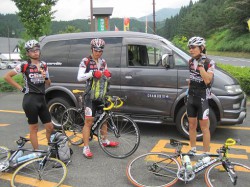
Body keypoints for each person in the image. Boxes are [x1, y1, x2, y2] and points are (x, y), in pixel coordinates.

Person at [4, 39, 54, 150]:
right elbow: (7, 76)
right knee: (34, 128)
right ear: (28, 53)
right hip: (30, 100)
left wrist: (45, 76)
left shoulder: (44, 65)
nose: (35, 52)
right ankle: (37, 153)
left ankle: (51, 150)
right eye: (32, 50)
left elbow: (48, 83)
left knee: (50, 127)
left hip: (42, 99)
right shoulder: (24, 65)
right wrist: (21, 89)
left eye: (37, 50)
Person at [77, 38, 118, 158]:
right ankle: (85, 147)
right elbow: (79, 77)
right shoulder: (85, 61)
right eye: (96, 50)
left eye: (101, 51)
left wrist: (108, 74)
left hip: (100, 94)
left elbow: (105, 74)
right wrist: (92, 73)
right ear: (92, 49)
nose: (98, 53)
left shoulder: (103, 62)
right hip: (90, 95)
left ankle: (104, 141)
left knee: (104, 118)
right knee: (88, 122)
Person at [186, 36, 215, 155]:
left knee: (204, 128)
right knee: (191, 126)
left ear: (201, 48)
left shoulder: (209, 62)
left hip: (202, 98)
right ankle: (193, 149)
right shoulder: (190, 61)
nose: (190, 50)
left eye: (193, 47)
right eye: (189, 48)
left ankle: (206, 153)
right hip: (191, 97)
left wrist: (201, 65)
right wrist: (188, 92)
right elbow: (192, 78)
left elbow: (208, 80)